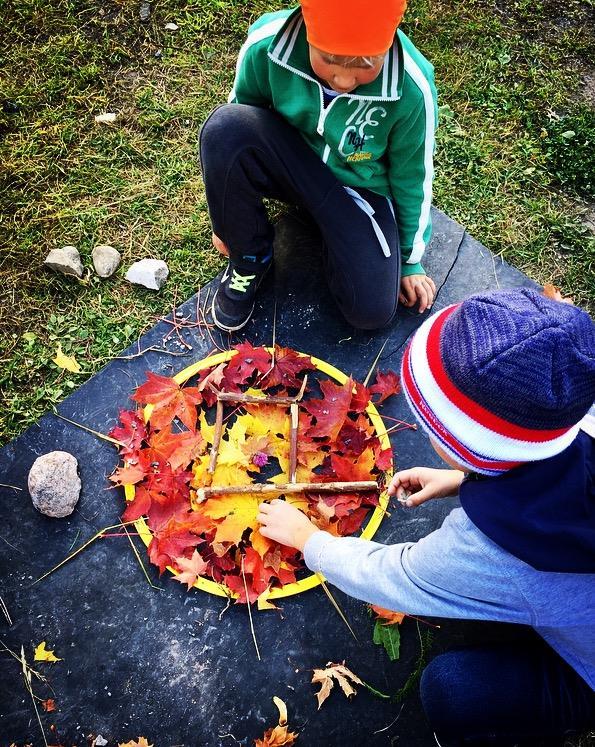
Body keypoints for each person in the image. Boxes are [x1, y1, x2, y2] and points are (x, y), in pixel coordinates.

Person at [257, 288, 595, 745]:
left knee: (450, 690)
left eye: (429, 423)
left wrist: (308, 539)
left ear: (457, 444)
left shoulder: (494, 553)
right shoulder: (576, 411)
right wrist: (466, 479)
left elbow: (392, 575)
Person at [199, 0, 437, 332]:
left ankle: (335, 234)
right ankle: (251, 258)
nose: (343, 78)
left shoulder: (412, 88)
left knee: (371, 311)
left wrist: (410, 260)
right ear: (308, 30)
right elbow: (241, 129)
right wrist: (231, 224)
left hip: (355, 191)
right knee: (224, 127)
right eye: (329, 59)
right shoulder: (266, 44)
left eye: (366, 62)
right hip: (291, 166)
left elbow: (413, 176)